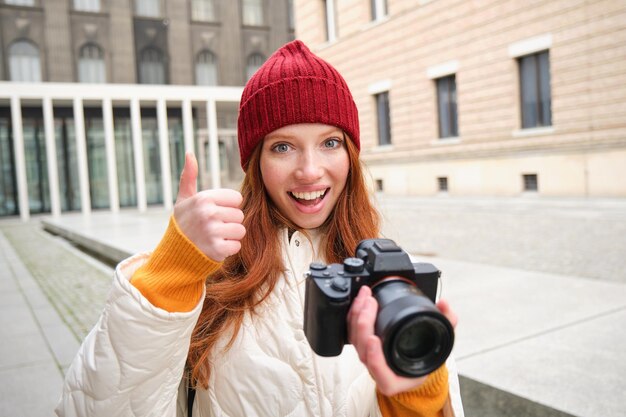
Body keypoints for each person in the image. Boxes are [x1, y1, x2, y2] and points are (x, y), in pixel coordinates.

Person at [56, 40, 464, 417]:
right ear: (255, 163)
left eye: (330, 142)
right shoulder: (209, 279)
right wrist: (171, 273)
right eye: (282, 147)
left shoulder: (392, 279)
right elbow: (105, 404)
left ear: (351, 154)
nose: (309, 170)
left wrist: (417, 394)